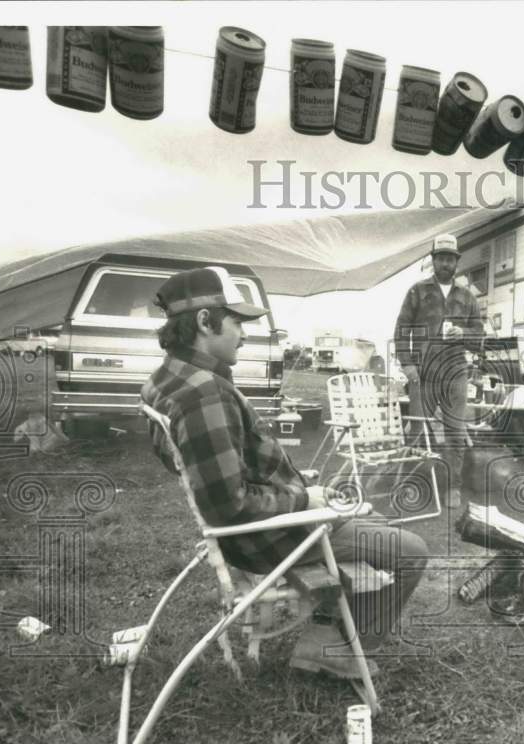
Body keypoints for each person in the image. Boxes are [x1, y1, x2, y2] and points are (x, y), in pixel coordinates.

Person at [141, 265, 428, 677]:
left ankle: (326, 631)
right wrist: (303, 499)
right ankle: (339, 649)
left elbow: (206, 476)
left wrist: (297, 488)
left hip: (258, 529)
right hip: (266, 538)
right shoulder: (204, 394)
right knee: (412, 550)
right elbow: (229, 506)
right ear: (205, 322)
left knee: (371, 517)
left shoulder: (166, 378)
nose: (244, 333)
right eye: (236, 322)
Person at [394, 234, 484, 509]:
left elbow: (480, 336)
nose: (445, 263)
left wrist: (464, 332)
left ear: (456, 263)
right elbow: (401, 331)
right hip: (423, 373)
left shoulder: (468, 297)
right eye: (440, 258)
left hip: (456, 373)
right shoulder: (417, 291)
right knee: (418, 431)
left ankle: (452, 487)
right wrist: (408, 365)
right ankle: (415, 485)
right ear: (433, 261)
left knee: (455, 431)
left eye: (450, 259)